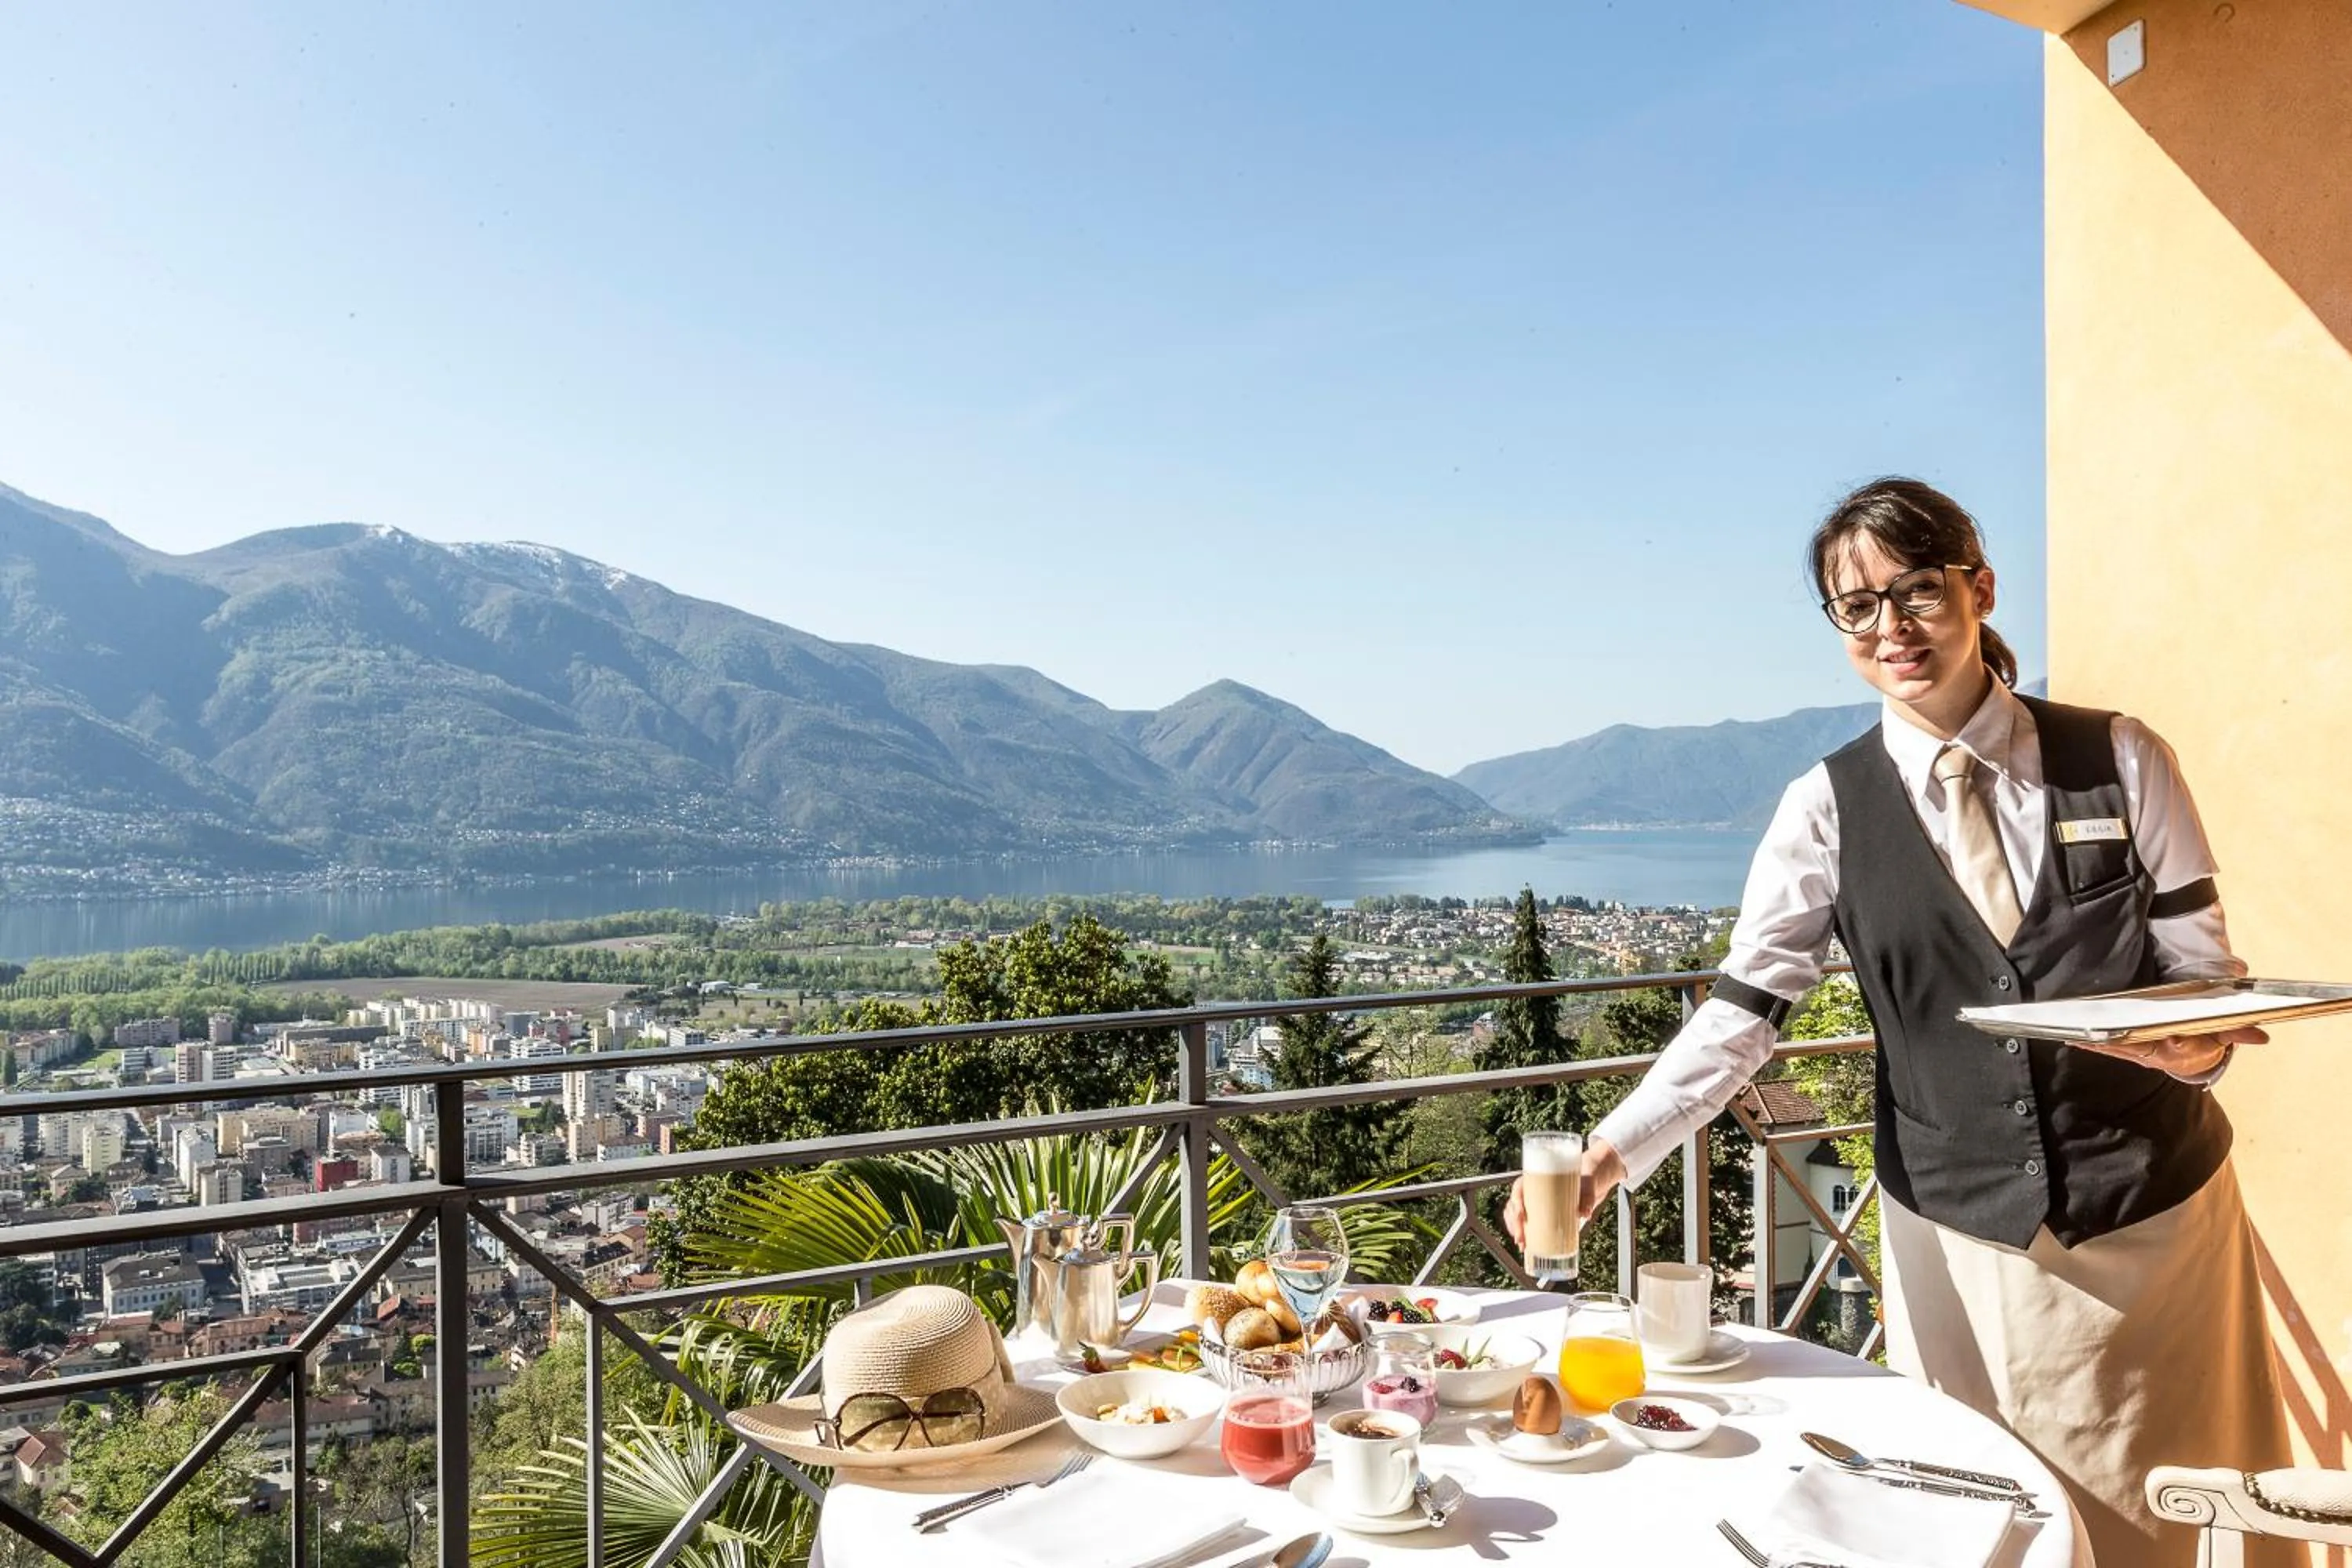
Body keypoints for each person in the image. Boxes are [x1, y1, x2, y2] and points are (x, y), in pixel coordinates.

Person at [1505, 477, 2292, 1567]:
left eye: (1915, 590)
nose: (1891, 627)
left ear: (1979, 586)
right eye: (1857, 606)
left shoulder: (2122, 757)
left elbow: (2203, 976)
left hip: (2150, 1220)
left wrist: (2198, 1050)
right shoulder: (1823, 807)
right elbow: (1744, 1015)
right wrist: (1610, 1155)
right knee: (1978, 1516)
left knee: (2165, 1508)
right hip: (1956, 1239)